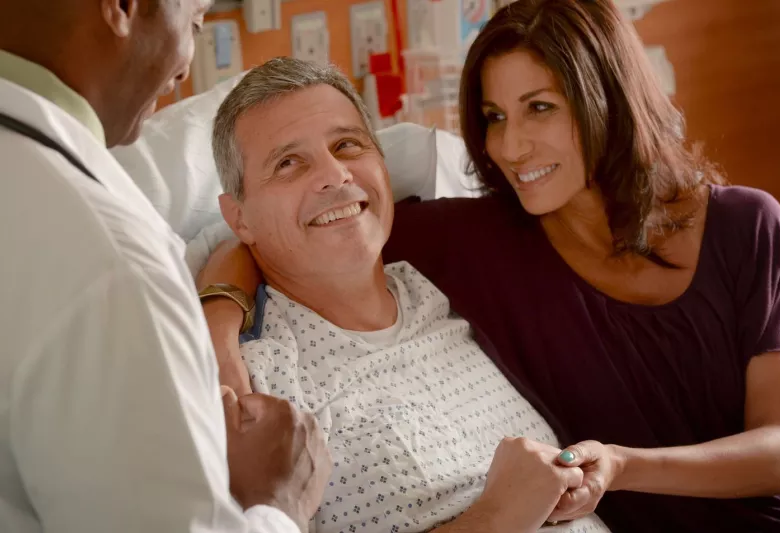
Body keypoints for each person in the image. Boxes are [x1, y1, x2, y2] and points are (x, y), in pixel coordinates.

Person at [202, 1, 780, 532]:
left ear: (607, 100)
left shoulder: (744, 226)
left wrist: (620, 466)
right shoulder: (480, 240)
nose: (510, 147)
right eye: (493, 116)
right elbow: (287, 231)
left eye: (539, 108)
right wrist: (218, 326)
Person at [209, 57, 611, 533]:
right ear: (239, 219)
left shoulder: (449, 275)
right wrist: (498, 518)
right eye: (288, 163)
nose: (335, 175)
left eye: (347, 144)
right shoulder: (257, 390)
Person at [0, 1, 331, 532]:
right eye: (195, 21)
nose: (185, 64)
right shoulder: (109, 263)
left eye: (348, 144)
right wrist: (278, 501)